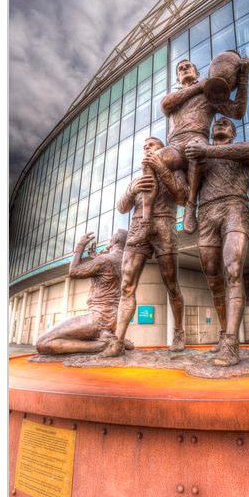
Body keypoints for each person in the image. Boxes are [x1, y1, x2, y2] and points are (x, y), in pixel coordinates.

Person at [126, 53, 249, 245]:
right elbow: (166, 105)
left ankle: (191, 207)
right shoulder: (175, 97)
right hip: (175, 145)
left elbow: (237, 111)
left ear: (197, 72)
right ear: (178, 77)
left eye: (188, 66)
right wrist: (199, 87)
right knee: (150, 160)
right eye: (180, 68)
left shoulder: (209, 94)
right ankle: (146, 221)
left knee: (196, 149)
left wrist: (243, 78)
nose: (184, 69)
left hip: (197, 139)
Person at [98, 136, 188, 357]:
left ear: (162, 150)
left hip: (164, 225)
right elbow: (121, 207)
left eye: (152, 145)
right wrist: (131, 190)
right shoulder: (138, 178)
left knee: (171, 283)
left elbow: (182, 197)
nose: (147, 148)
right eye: (145, 146)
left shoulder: (176, 172)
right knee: (127, 285)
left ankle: (178, 332)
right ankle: (117, 341)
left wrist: (162, 170)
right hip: (138, 226)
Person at [185, 117, 249, 366]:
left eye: (226, 124)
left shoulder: (240, 151)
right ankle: (222, 333)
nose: (220, 124)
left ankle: (231, 343)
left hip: (233, 208)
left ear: (233, 131)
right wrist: (189, 211)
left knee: (233, 270)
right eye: (216, 124)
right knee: (213, 278)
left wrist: (207, 149)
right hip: (207, 212)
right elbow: (193, 183)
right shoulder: (203, 156)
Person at [36, 229, 134, 355]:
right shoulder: (128, 263)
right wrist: (97, 258)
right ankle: (110, 337)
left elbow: (74, 271)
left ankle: (102, 345)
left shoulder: (104, 260)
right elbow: (109, 274)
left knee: (43, 343)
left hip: (99, 317)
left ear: (114, 241)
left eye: (111, 239)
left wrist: (79, 247)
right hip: (115, 318)